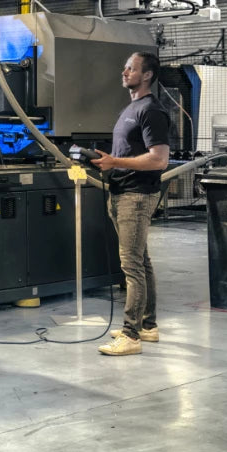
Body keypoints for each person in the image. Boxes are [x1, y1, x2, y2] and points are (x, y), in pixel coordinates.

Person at [91, 51, 170, 356]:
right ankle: (147, 326)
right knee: (142, 261)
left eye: (131, 68)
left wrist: (114, 162)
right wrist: (109, 163)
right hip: (123, 192)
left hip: (136, 196)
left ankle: (131, 335)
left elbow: (159, 159)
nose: (124, 72)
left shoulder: (151, 110)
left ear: (147, 75)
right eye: (124, 67)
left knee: (132, 266)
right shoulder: (133, 108)